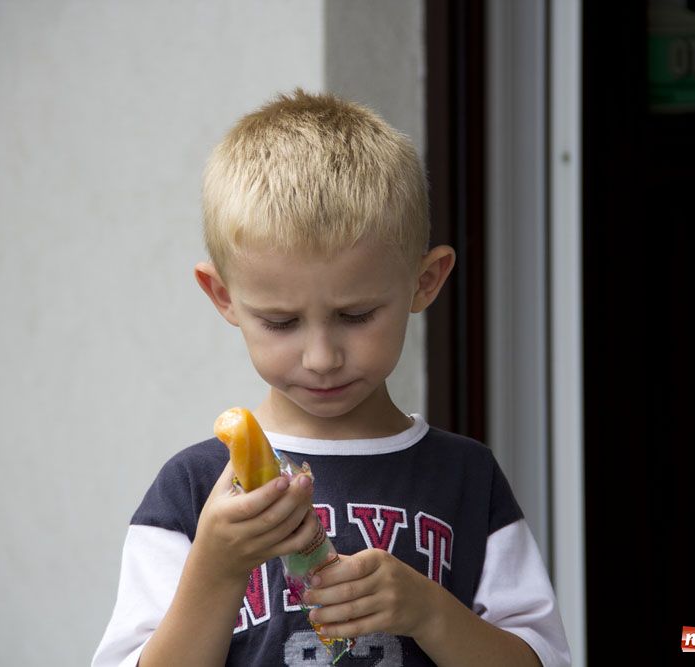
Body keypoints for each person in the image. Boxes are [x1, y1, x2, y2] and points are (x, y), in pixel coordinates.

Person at [92, 89, 571, 667]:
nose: (321, 356)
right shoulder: (194, 490)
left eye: (355, 316)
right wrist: (215, 573)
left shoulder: (467, 479)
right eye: (281, 321)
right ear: (223, 296)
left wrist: (429, 612)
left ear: (425, 281)